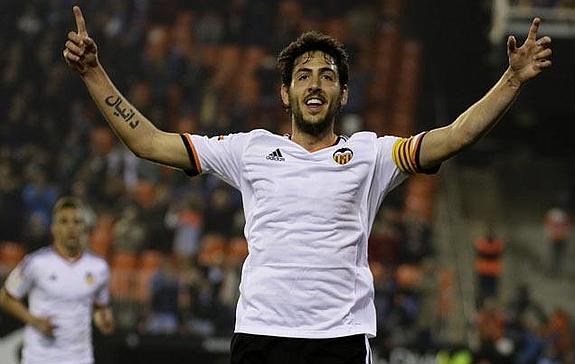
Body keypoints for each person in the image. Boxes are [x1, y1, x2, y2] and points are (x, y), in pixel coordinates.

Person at [62, 6, 552, 363]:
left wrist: (511, 80)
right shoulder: (249, 149)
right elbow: (149, 143)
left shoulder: (372, 153)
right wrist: (93, 73)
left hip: (338, 340)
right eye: (302, 75)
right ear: (285, 92)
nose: (314, 83)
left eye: (326, 76)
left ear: (342, 92)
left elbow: (455, 137)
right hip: (260, 334)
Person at [0, 197, 114, 364]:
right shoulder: (35, 263)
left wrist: (103, 318)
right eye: (64, 221)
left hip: (79, 358)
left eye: (77, 221)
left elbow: (99, 307)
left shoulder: (99, 267)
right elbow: (6, 298)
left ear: (84, 228)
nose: (71, 227)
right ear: (54, 228)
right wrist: (35, 321)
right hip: (40, 357)